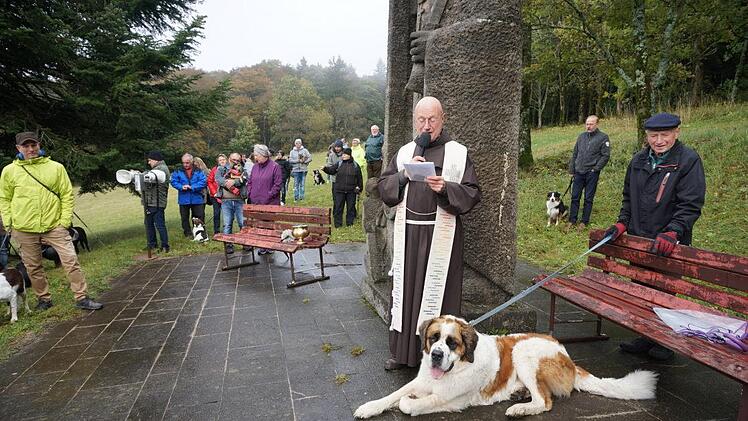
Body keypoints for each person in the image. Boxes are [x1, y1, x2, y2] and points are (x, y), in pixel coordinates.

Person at [377, 97, 480, 369]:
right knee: (405, 294)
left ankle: (440, 359)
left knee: (438, 297)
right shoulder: (405, 152)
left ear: (442, 119)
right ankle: (403, 354)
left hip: (441, 239)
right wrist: (403, 177)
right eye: (421, 120)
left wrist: (446, 188)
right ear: (415, 120)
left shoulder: (458, 153)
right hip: (408, 236)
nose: (426, 125)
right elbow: (384, 187)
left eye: (432, 119)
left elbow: (472, 193)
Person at [603, 112, 706, 361]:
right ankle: (645, 335)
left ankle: (664, 340)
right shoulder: (638, 160)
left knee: (665, 291)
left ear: (676, 133)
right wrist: (622, 223)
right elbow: (629, 198)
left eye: (665, 135)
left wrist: (674, 230)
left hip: (669, 241)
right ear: (647, 136)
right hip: (639, 239)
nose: (659, 141)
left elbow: (690, 203)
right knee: (641, 288)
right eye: (653, 136)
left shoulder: (688, 160)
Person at [0, 132, 103, 311]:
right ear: (18, 148)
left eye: (34, 145)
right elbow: (5, 198)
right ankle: (44, 299)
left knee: (71, 261)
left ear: (39, 145)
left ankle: (82, 297)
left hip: (54, 225)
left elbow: (66, 195)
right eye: (26, 146)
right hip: (24, 228)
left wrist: (64, 221)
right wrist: (10, 223)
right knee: (33, 267)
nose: (31, 149)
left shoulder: (55, 167)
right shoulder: (9, 171)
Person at [567, 115, 610, 231]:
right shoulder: (581, 137)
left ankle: (584, 222)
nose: (588, 126)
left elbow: (605, 156)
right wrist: (572, 170)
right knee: (575, 197)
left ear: (597, 124)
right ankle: (572, 220)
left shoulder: (603, 137)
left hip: (591, 173)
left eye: (591, 124)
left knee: (588, 198)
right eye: (587, 124)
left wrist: (596, 169)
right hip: (578, 172)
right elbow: (575, 153)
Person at [247, 145, 283, 255]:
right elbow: (250, 181)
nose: (256, 158)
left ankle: (270, 246)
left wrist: (269, 195)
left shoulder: (275, 167)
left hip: (270, 202)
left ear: (263, 155)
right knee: (259, 224)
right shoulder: (255, 167)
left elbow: (278, 184)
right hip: (256, 202)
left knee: (269, 224)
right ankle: (262, 245)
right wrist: (250, 192)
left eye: (257, 155)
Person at [215, 153, 248, 254]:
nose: (235, 162)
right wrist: (226, 183)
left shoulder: (243, 170)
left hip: (239, 200)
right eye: (233, 159)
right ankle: (228, 245)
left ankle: (246, 243)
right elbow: (218, 179)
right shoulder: (222, 169)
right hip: (226, 201)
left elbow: (244, 179)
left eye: (237, 160)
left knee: (242, 223)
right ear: (229, 159)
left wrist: (233, 183)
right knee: (227, 224)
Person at [323, 147, 363, 227]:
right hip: (339, 190)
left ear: (349, 155)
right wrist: (325, 169)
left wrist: (359, 187)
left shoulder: (355, 165)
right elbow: (331, 170)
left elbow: (359, 178)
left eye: (345, 154)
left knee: (351, 208)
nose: (343, 156)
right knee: (338, 208)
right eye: (343, 154)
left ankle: (350, 223)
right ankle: (338, 224)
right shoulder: (339, 163)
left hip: (351, 191)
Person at [170, 153, 207, 237]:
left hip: (197, 198)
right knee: (184, 218)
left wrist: (192, 187)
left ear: (191, 162)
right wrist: (181, 187)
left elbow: (203, 182)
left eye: (187, 163)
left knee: (199, 217)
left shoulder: (198, 171)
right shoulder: (178, 171)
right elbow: (173, 181)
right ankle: (187, 233)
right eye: (183, 163)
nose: (185, 165)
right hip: (184, 198)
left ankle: (200, 233)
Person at [142, 151, 170, 253]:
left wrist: (142, 174)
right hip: (151, 201)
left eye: (150, 160)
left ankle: (165, 246)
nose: (149, 162)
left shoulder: (161, 169)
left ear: (155, 160)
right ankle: (152, 244)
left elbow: (150, 178)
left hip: (157, 201)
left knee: (159, 224)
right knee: (148, 223)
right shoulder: (157, 169)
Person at [207, 154, 227, 235]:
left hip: (226, 196)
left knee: (227, 214)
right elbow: (209, 181)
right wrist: (214, 192)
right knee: (216, 213)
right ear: (218, 162)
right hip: (215, 195)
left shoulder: (229, 169)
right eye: (220, 160)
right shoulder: (214, 170)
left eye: (223, 159)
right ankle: (217, 231)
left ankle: (227, 230)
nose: (222, 161)